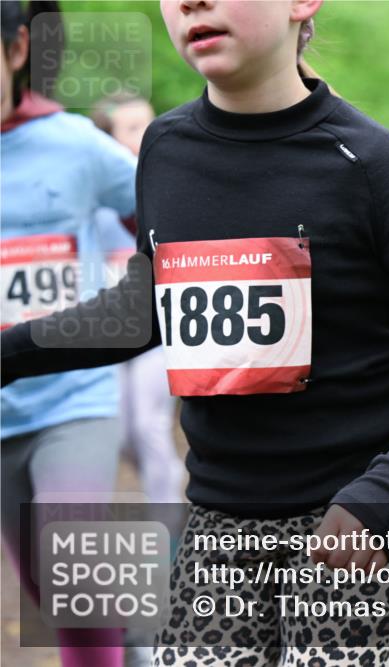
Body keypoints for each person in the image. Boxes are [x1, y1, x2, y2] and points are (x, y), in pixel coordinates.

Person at [1, 1, 389, 666]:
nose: (191, 3)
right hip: (220, 516)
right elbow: (143, 307)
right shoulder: (167, 147)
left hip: (352, 513)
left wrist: (387, 496)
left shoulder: (368, 161)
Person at [0, 3, 137, 667]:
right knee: (57, 591)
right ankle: (136, 644)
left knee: (73, 566)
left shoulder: (77, 143)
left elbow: (172, 217)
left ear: (18, 46)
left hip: (71, 399)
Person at [92, 93, 186, 509]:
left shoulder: (166, 185)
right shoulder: (88, 197)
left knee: (149, 423)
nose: (143, 136)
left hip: (158, 329)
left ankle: (168, 525)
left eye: (147, 125)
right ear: (106, 139)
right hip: (103, 329)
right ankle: (168, 477)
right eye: (131, 129)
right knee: (123, 432)